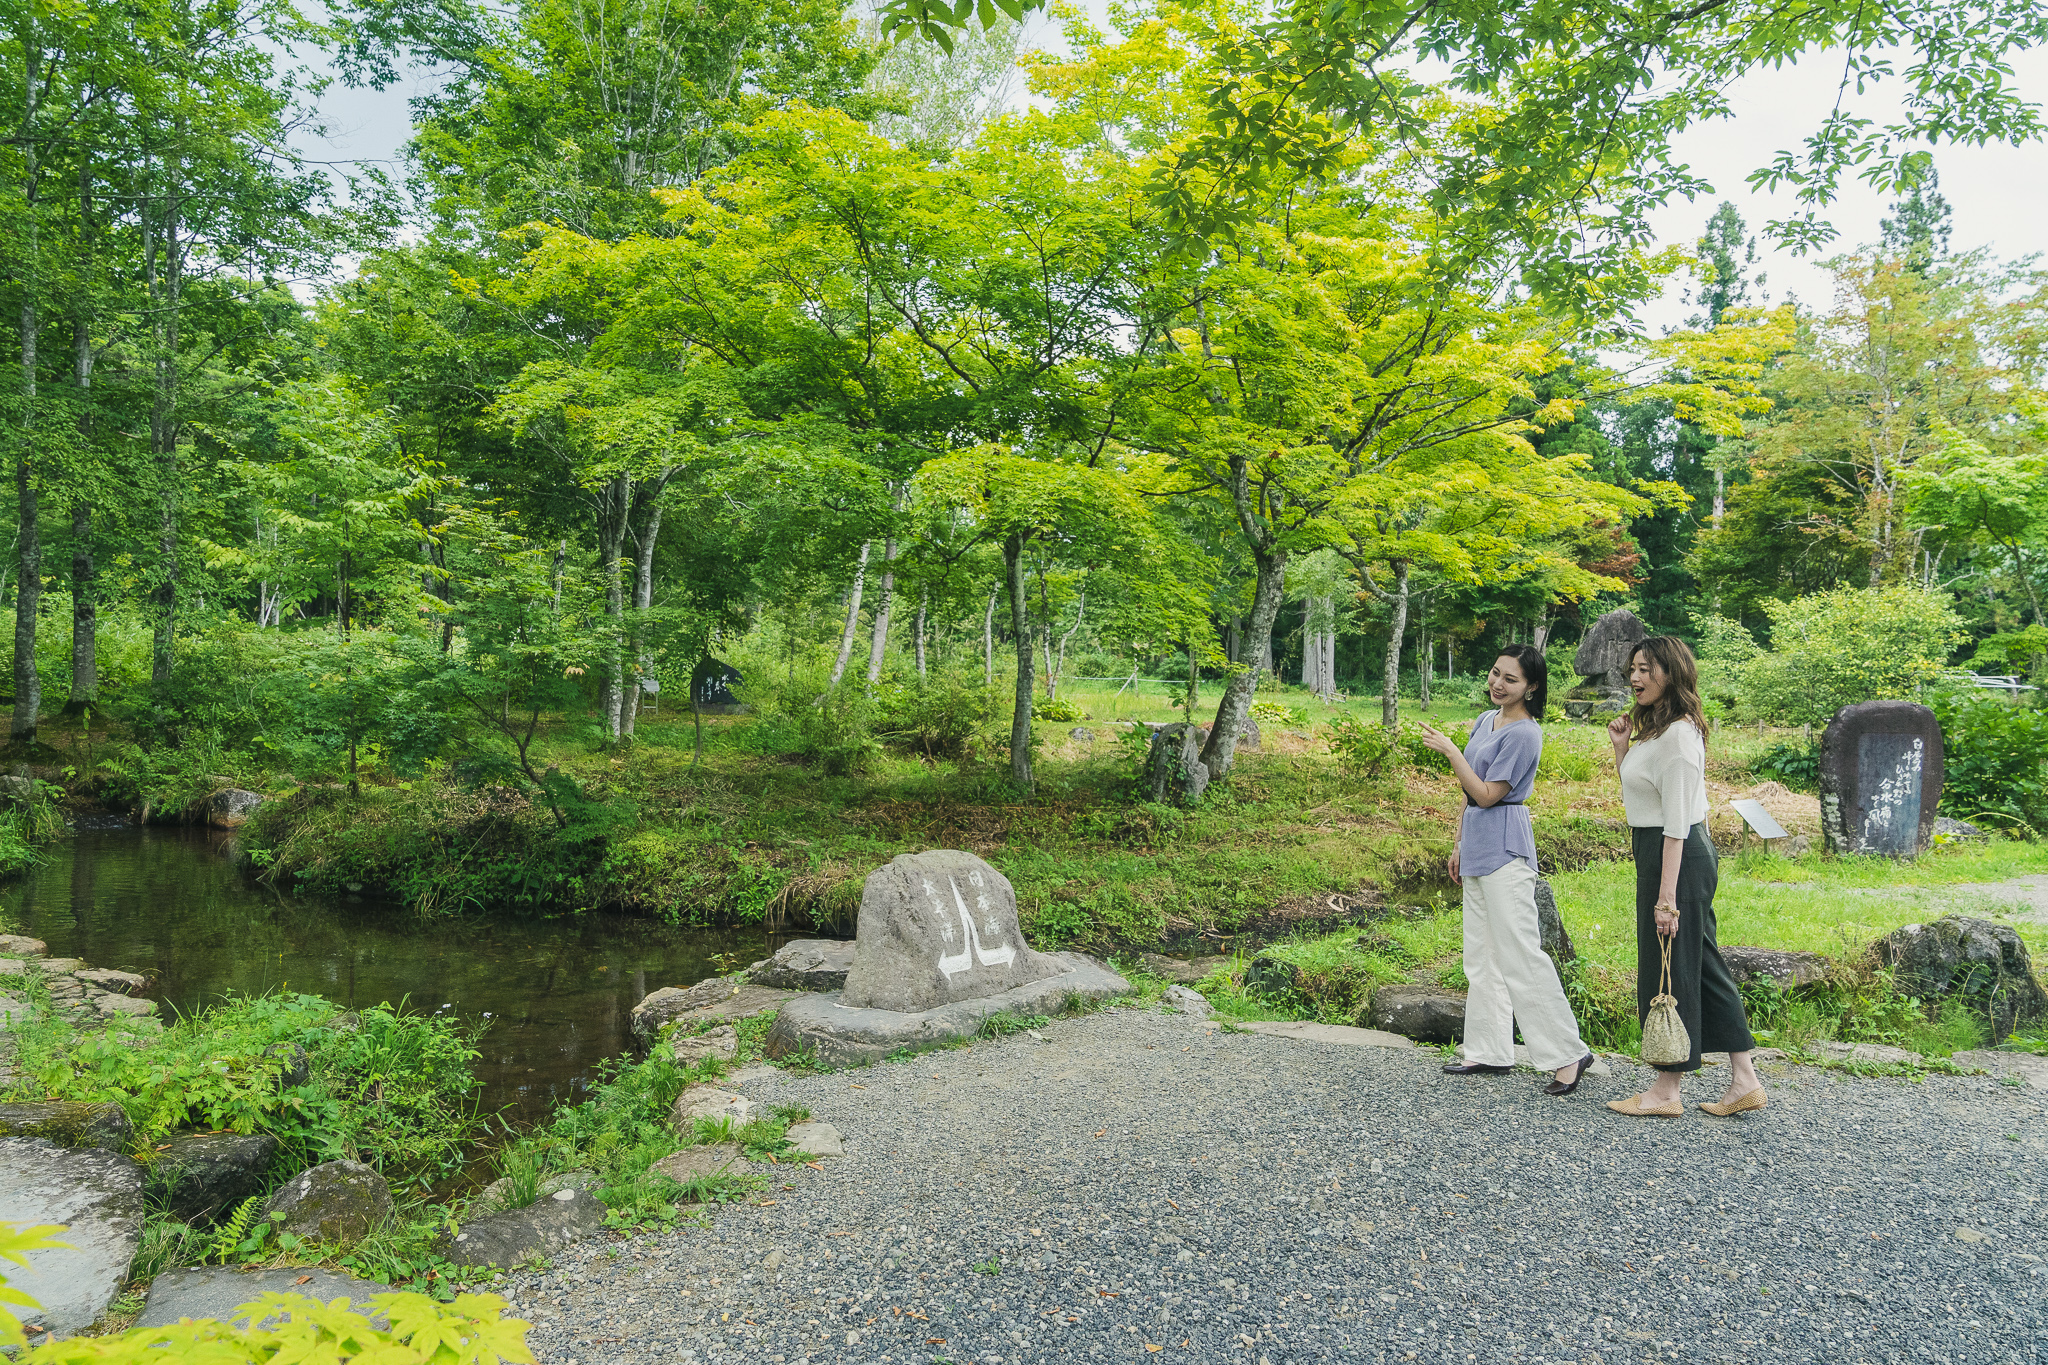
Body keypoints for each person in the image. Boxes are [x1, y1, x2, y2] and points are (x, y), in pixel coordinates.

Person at [1418, 645, 1594, 1097]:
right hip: (1477, 842)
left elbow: (1489, 793)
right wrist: (1457, 841)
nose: (1498, 684)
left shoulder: (1525, 734)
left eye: (1510, 680)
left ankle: (1567, 1052)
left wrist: (1451, 752)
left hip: (1506, 844)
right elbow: (1467, 792)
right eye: (1495, 673)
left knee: (1520, 952)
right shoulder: (1485, 719)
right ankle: (1490, 1048)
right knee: (1481, 953)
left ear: (1531, 687)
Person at [1604, 636, 1767, 1118]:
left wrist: (1666, 898)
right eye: (1633, 668)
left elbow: (1675, 823)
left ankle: (1666, 1088)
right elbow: (1644, 799)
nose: (1636, 677)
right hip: (1664, 848)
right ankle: (1744, 1079)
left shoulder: (1677, 735)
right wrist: (1621, 750)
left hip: (1674, 854)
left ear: (1672, 674)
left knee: (1668, 960)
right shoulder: (1659, 730)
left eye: (1647, 669)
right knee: (1701, 962)